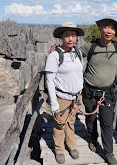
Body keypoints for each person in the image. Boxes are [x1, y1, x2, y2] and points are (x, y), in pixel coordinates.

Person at [49, 17, 117, 165]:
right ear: (101, 29)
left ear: (115, 32)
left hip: (107, 93)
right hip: (89, 91)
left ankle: (108, 153)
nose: (109, 31)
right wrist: (56, 49)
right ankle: (92, 139)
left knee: (107, 124)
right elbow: (71, 53)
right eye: (106, 27)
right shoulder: (90, 46)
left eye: (112, 28)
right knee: (91, 119)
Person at [45, 21, 85, 164]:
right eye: (67, 35)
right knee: (60, 124)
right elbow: (49, 80)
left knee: (71, 122)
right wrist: (54, 103)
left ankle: (71, 146)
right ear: (61, 37)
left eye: (73, 36)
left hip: (75, 97)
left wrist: (79, 94)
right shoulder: (55, 55)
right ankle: (59, 150)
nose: (70, 39)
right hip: (61, 97)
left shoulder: (78, 52)